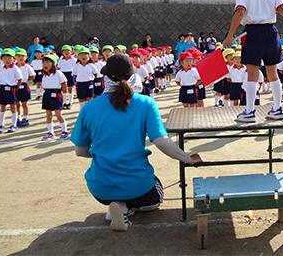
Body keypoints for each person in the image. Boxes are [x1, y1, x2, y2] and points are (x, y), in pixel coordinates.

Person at [70, 54, 202, 231]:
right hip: (137, 186)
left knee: (120, 191)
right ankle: (127, 208)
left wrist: (105, 154)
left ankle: (117, 206)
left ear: (106, 77)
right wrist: (187, 158)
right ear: (133, 75)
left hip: (100, 188)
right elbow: (161, 141)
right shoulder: (146, 103)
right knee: (157, 197)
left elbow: (80, 151)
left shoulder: (89, 107)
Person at [41, 54, 69, 139]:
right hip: (47, 93)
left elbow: (64, 83)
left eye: (47, 62)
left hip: (56, 93)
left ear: (53, 64)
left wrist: (62, 93)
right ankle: (50, 132)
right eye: (43, 62)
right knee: (48, 114)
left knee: (58, 114)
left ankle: (64, 130)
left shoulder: (58, 73)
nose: (45, 64)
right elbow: (44, 86)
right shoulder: (44, 75)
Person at [0, 49, 23, 134]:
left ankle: (13, 124)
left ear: (13, 59)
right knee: (2, 106)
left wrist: (15, 86)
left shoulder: (15, 68)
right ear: (2, 59)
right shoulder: (1, 67)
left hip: (12, 88)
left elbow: (20, 79)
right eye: (5, 58)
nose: (7, 60)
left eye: (9, 58)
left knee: (12, 107)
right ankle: (1, 125)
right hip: (2, 87)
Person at [14, 48, 35, 127]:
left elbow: (32, 76)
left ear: (26, 57)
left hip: (23, 85)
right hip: (15, 86)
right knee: (16, 103)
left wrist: (25, 80)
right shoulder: (13, 67)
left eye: (22, 56)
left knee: (24, 103)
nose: (20, 57)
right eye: (18, 55)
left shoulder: (27, 67)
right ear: (15, 57)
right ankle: (17, 118)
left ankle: (25, 118)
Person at [58, 45, 76, 110]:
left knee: (70, 88)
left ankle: (70, 103)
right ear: (62, 52)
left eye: (68, 50)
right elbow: (59, 67)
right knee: (64, 89)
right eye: (64, 51)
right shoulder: (60, 59)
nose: (66, 52)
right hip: (63, 73)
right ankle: (64, 102)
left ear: (71, 52)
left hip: (70, 73)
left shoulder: (74, 60)